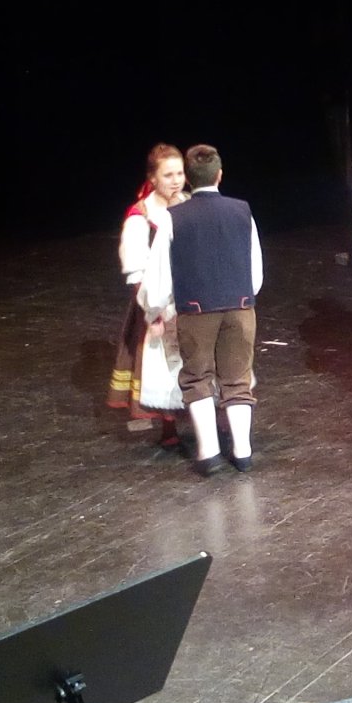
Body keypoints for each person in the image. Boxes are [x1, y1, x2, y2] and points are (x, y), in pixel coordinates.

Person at [139, 144, 263, 477]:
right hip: (240, 307)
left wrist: (153, 310)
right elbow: (255, 269)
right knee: (237, 379)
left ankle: (209, 453)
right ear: (219, 175)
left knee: (197, 378)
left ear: (189, 179)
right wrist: (242, 295)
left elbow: (159, 276)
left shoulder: (172, 218)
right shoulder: (242, 211)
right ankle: (243, 451)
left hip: (196, 311)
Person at [106, 143, 189, 447]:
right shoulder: (140, 215)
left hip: (190, 297)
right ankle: (169, 425)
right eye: (168, 175)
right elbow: (136, 269)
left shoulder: (190, 205)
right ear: (153, 178)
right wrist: (152, 313)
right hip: (157, 301)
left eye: (180, 173)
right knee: (160, 364)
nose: (176, 181)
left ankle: (202, 419)